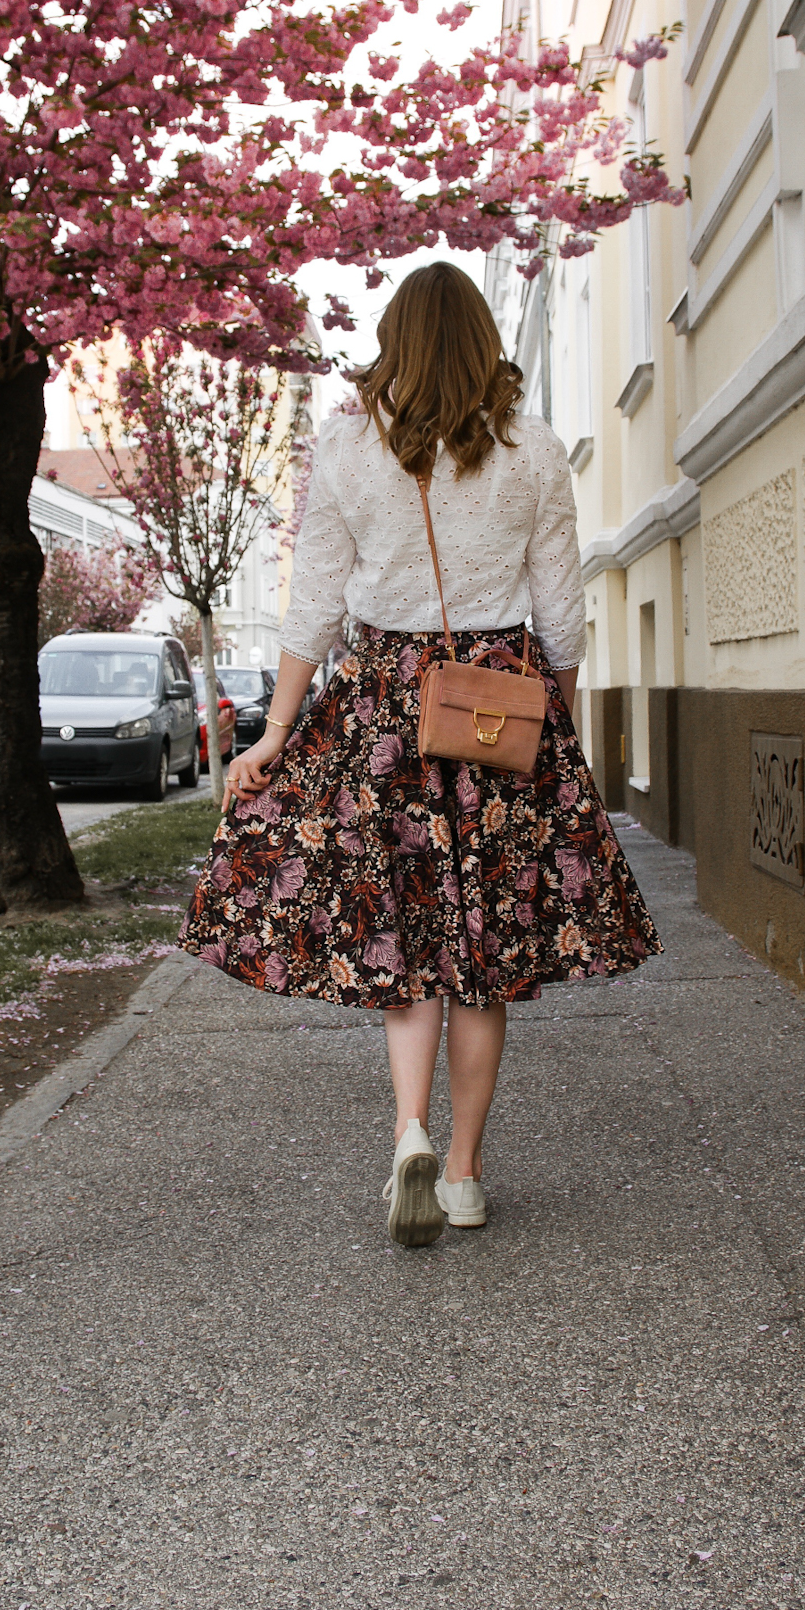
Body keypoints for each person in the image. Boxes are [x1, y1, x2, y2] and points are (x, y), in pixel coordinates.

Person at [179, 262, 660, 1246]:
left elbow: (312, 600)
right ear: (482, 341)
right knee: (481, 956)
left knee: (405, 941)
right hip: (495, 713)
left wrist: (274, 732)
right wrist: (551, 733)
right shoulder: (530, 448)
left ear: (394, 342)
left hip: (384, 711)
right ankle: (469, 1175)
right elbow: (562, 615)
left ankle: (408, 1130)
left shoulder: (352, 444)